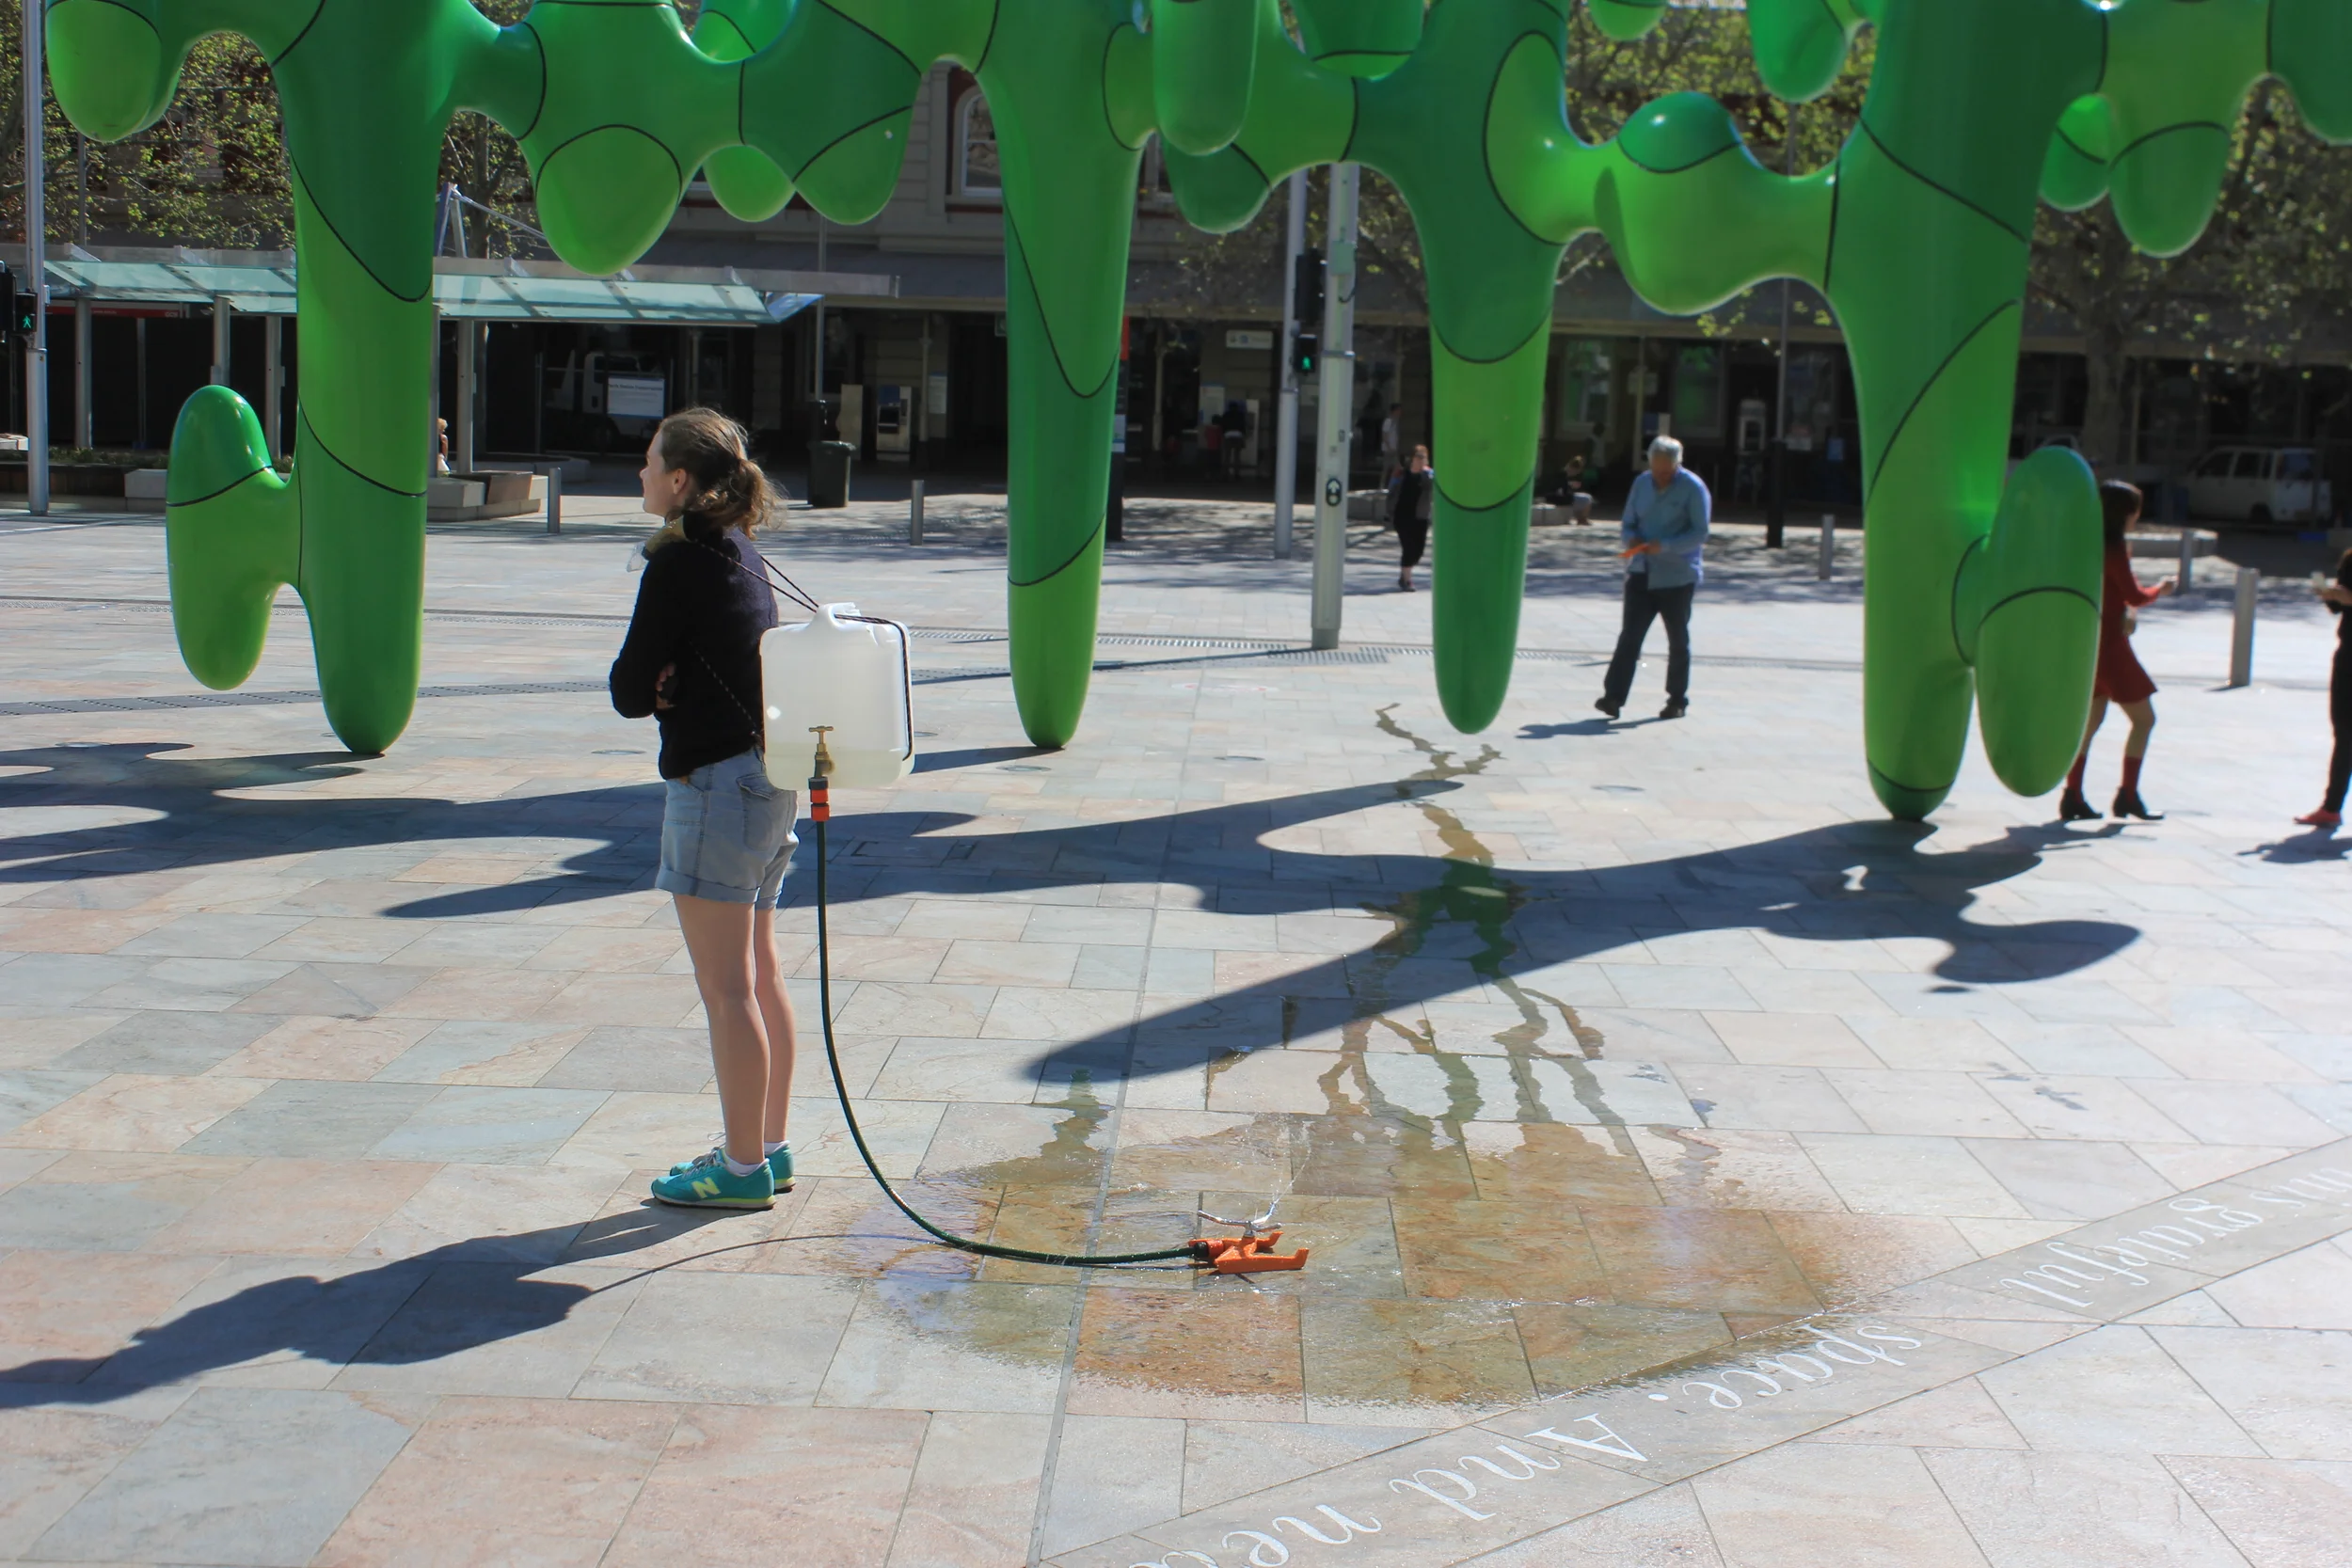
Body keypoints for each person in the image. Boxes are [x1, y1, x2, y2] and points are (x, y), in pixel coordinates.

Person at [610, 408, 801, 1209]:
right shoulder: (742, 551)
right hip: (767, 780)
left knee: (727, 988)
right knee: (760, 972)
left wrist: (662, 685)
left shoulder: (678, 561)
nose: (642, 474)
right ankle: (769, 1148)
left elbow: (629, 687)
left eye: (651, 462)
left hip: (715, 787)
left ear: (681, 479)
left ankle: (741, 1167)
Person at [2058, 479, 2173, 823]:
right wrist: (2161, 589)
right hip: (2111, 646)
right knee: (2144, 719)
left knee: (2090, 721)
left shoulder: (2083, 543)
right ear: (2125, 513)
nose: (2138, 516)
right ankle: (2128, 795)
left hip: (2088, 643)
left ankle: (2073, 794)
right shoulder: (2114, 547)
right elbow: (2134, 595)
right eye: (2135, 510)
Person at [1596, 436, 1710, 721]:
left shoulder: (1693, 488)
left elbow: (1700, 533)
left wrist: (1667, 546)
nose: (1661, 477)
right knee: (1630, 637)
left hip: (1677, 576)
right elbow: (1628, 523)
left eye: (1667, 472)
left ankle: (1677, 699)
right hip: (1641, 571)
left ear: (1677, 465)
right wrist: (1631, 539)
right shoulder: (1641, 483)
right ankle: (1613, 697)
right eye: (1657, 470)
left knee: (1678, 640)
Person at [2295, 547, 2352, 828]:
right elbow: (2339, 607)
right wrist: (2330, 596)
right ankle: (2331, 808)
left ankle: (2331, 807)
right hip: (2349, 657)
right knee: (2344, 732)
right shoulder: (2350, 560)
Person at [1391, 443, 1435, 592]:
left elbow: (1436, 490)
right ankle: (1407, 580)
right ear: (1412, 458)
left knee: (1418, 551)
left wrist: (1429, 475)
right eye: (1419, 457)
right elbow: (1391, 493)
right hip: (1402, 516)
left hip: (1421, 517)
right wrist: (1389, 512)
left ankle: (1404, 573)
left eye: (1424, 457)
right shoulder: (1401, 474)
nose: (1421, 460)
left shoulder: (1429, 475)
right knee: (1408, 547)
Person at [1540, 453, 1595, 524]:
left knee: (1583, 497)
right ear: (1574, 469)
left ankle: (1581, 518)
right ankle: (1582, 519)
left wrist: (1570, 485)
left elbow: (1560, 487)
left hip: (1555, 496)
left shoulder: (1562, 473)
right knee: (1587, 498)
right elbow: (1562, 491)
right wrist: (1571, 488)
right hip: (1558, 498)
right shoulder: (1563, 475)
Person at [1380, 402, 1404, 480]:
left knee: (1391, 468)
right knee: (1390, 468)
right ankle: (1384, 483)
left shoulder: (1395, 422)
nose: (1400, 412)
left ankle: (1386, 483)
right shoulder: (1388, 422)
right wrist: (1389, 447)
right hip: (1388, 450)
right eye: (1398, 410)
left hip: (1393, 449)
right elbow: (1385, 435)